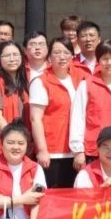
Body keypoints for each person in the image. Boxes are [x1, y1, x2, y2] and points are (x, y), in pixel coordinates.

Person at [29, 38, 87, 188]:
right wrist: (42, 150)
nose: (62, 57)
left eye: (66, 53)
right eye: (57, 53)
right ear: (49, 56)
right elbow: (35, 119)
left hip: (76, 151)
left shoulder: (79, 78)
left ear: (72, 56)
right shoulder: (41, 81)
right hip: (53, 152)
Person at [83, 40, 111, 162]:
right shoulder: (87, 84)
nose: (109, 63)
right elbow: (78, 117)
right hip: (94, 149)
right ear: (98, 60)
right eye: (105, 59)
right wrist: (78, 150)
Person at [0, 41, 28, 159]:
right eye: (7, 55)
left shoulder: (23, 82)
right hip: (0, 147)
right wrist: (14, 141)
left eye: (15, 54)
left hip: (22, 147)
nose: (12, 59)